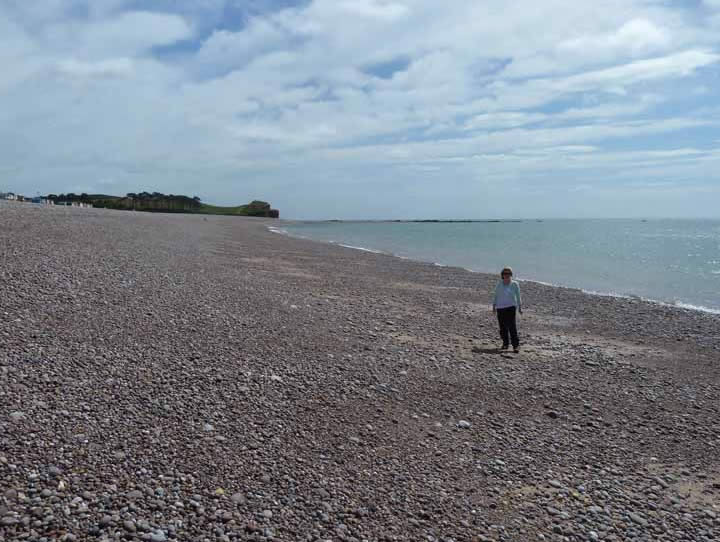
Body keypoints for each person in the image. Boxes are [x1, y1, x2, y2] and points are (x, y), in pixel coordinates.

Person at [492, 267, 522, 353]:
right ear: (502, 275)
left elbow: (518, 296)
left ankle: (516, 346)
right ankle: (505, 343)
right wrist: (494, 306)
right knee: (502, 327)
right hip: (500, 307)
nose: (507, 275)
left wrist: (520, 306)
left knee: (512, 326)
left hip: (511, 306)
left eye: (508, 274)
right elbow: (496, 295)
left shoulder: (515, 284)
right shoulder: (499, 284)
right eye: (505, 273)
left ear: (511, 275)